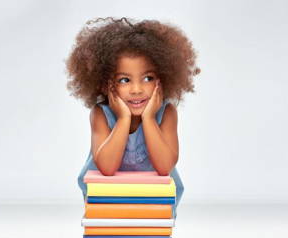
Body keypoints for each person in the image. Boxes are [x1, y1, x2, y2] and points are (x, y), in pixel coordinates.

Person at [65, 17, 200, 217]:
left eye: (148, 78)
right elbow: (107, 168)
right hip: (106, 200)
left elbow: (164, 167)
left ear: (162, 80)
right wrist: (123, 119)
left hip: (156, 201)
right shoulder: (101, 115)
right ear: (106, 84)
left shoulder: (167, 113)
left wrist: (149, 118)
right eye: (124, 80)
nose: (137, 90)